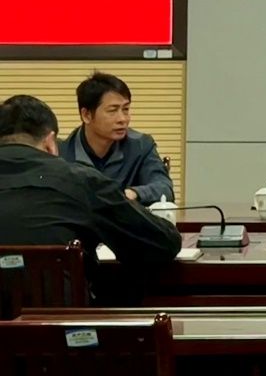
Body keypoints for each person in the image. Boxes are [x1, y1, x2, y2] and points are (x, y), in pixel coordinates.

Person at [0, 95, 181, 273]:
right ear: (50, 144)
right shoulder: (80, 181)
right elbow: (163, 244)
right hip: (61, 293)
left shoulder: (139, 148)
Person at [59, 72, 173, 204]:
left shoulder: (141, 146)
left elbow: (164, 188)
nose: (123, 119)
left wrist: (133, 194)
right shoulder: (61, 154)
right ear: (86, 115)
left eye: (126, 109)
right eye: (112, 110)